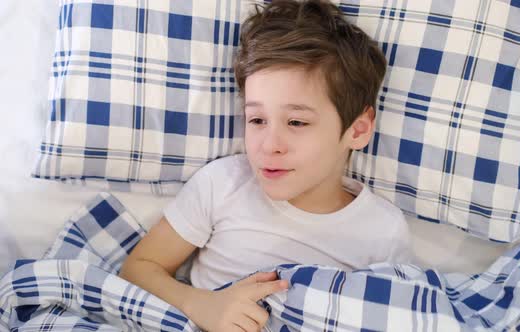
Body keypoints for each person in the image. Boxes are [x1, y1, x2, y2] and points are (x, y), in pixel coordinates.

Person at [119, 0, 412, 331]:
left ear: (357, 130)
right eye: (257, 119)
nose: (269, 145)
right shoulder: (223, 185)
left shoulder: (382, 231)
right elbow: (138, 268)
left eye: (297, 122)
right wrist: (200, 304)